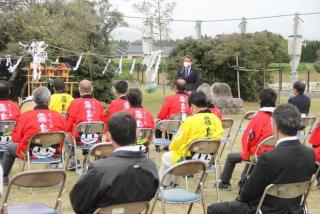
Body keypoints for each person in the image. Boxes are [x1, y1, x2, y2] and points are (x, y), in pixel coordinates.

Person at [207, 104, 316, 214]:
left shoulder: (268, 158)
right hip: (295, 209)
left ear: (274, 126)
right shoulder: (310, 154)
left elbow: (246, 195)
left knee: (213, 209)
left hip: (264, 209)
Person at [70, 112, 159, 214]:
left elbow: (78, 203)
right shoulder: (151, 167)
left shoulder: (99, 169)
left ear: (109, 135)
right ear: (138, 133)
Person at [2, 87, 66, 184]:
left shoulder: (24, 116)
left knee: (10, 147)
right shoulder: (59, 116)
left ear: (34, 101)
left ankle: (3, 177)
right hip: (54, 153)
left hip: (28, 153)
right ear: (49, 100)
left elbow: (16, 138)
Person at [159, 91, 223, 186]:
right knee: (178, 154)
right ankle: (174, 184)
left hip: (190, 161)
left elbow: (176, 144)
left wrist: (173, 148)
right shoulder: (216, 120)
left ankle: (163, 187)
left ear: (192, 105)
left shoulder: (190, 121)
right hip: (207, 162)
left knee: (168, 156)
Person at [218, 88, 277, 189]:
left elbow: (248, 138)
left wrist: (248, 153)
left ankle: (224, 182)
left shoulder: (258, 116)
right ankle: (243, 180)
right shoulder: (279, 115)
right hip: (275, 154)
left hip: (259, 156)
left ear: (259, 101)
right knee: (253, 153)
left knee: (232, 157)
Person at [65, 80, 106, 169]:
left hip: (79, 138)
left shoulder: (74, 103)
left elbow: (67, 126)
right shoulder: (98, 104)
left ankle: (73, 160)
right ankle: (87, 158)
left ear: (79, 89)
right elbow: (103, 125)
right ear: (91, 89)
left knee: (66, 136)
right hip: (96, 138)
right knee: (89, 132)